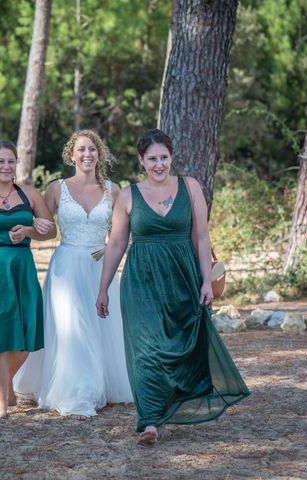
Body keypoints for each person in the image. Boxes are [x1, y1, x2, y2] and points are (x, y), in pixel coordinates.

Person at [96, 128, 250, 445]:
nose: (159, 164)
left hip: (183, 278)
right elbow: (115, 246)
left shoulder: (190, 187)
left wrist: (207, 281)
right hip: (141, 283)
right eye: (152, 158)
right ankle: (150, 421)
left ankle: (167, 408)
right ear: (141, 160)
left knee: (181, 345)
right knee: (147, 351)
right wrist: (103, 289)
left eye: (164, 157)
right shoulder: (127, 196)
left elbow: (202, 237)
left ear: (172, 157)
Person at [13, 130, 133, 419]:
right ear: (71, 155)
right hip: (66, 267)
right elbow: (47, 229)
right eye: (81, 150)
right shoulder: (57, 189)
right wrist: (30, 231)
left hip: (100, 265)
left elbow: (119, 235)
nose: (87, 155)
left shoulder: (113, 190)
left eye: (92, 149)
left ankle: (102, 384)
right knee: (73, 329)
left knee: (100, 327)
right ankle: (77, 393)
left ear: (99, 154)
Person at [0, 139, 56, 420]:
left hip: (22, 266)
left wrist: (30, 231)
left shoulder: (29, 194)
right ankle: (0, 404)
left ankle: (6, 382)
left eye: (11, 161)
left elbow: (49, 230)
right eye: (1, 161)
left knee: (26, 334)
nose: (7, 166)